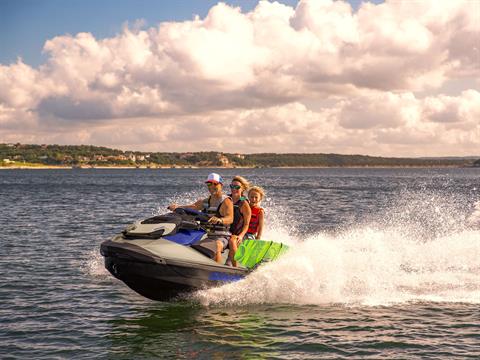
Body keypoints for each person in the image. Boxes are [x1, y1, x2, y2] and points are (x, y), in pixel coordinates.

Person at [167, 173, 233, 263]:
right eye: (209, 184)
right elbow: (193, 207)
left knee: (216, 245)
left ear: (221, 185)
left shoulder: (226, 201)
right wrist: (178, 207)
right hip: (208, 235)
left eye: (215, 184)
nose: (212, 186)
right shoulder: (206, 201)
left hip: (223, 237)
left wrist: (219, 219)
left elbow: (230, 218)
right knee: (190, 244)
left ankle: (217, 271)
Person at [226, 176, 251, 267]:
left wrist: (240, 236)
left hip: (239, 235)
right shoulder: (227, 199)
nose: (234, 189)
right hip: (226, 232)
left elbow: (246, 224)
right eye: (232, 186)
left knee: (232, 240)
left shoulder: (244, 203)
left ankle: (235, 268)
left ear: (243, 189)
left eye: (237, 187)